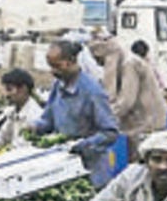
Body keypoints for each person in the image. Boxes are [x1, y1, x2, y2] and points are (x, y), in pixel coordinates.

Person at [28, 39, 120, 182]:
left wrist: (84, 145)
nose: (53, 72)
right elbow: (49, 120)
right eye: (51, 67)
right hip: (65, 167)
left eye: (57, 66)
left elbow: (110, 132)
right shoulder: (58, 86)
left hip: (92, 170)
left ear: (71, 61)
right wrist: (35, 126)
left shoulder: (92, 92)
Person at [89, 36, 167, 158]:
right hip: (137, 126)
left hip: (146, 126)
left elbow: (126, 102)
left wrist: (103, 119)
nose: (99, 64)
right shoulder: (123, 63)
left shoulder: (130, 64)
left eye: (100, 60)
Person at [0, 68, 44, 159]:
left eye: (9, 90)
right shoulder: (13, 113)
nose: (7, 95)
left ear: (23, 89)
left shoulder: (34, 116)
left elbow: (21, 148)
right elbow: (0, 138)